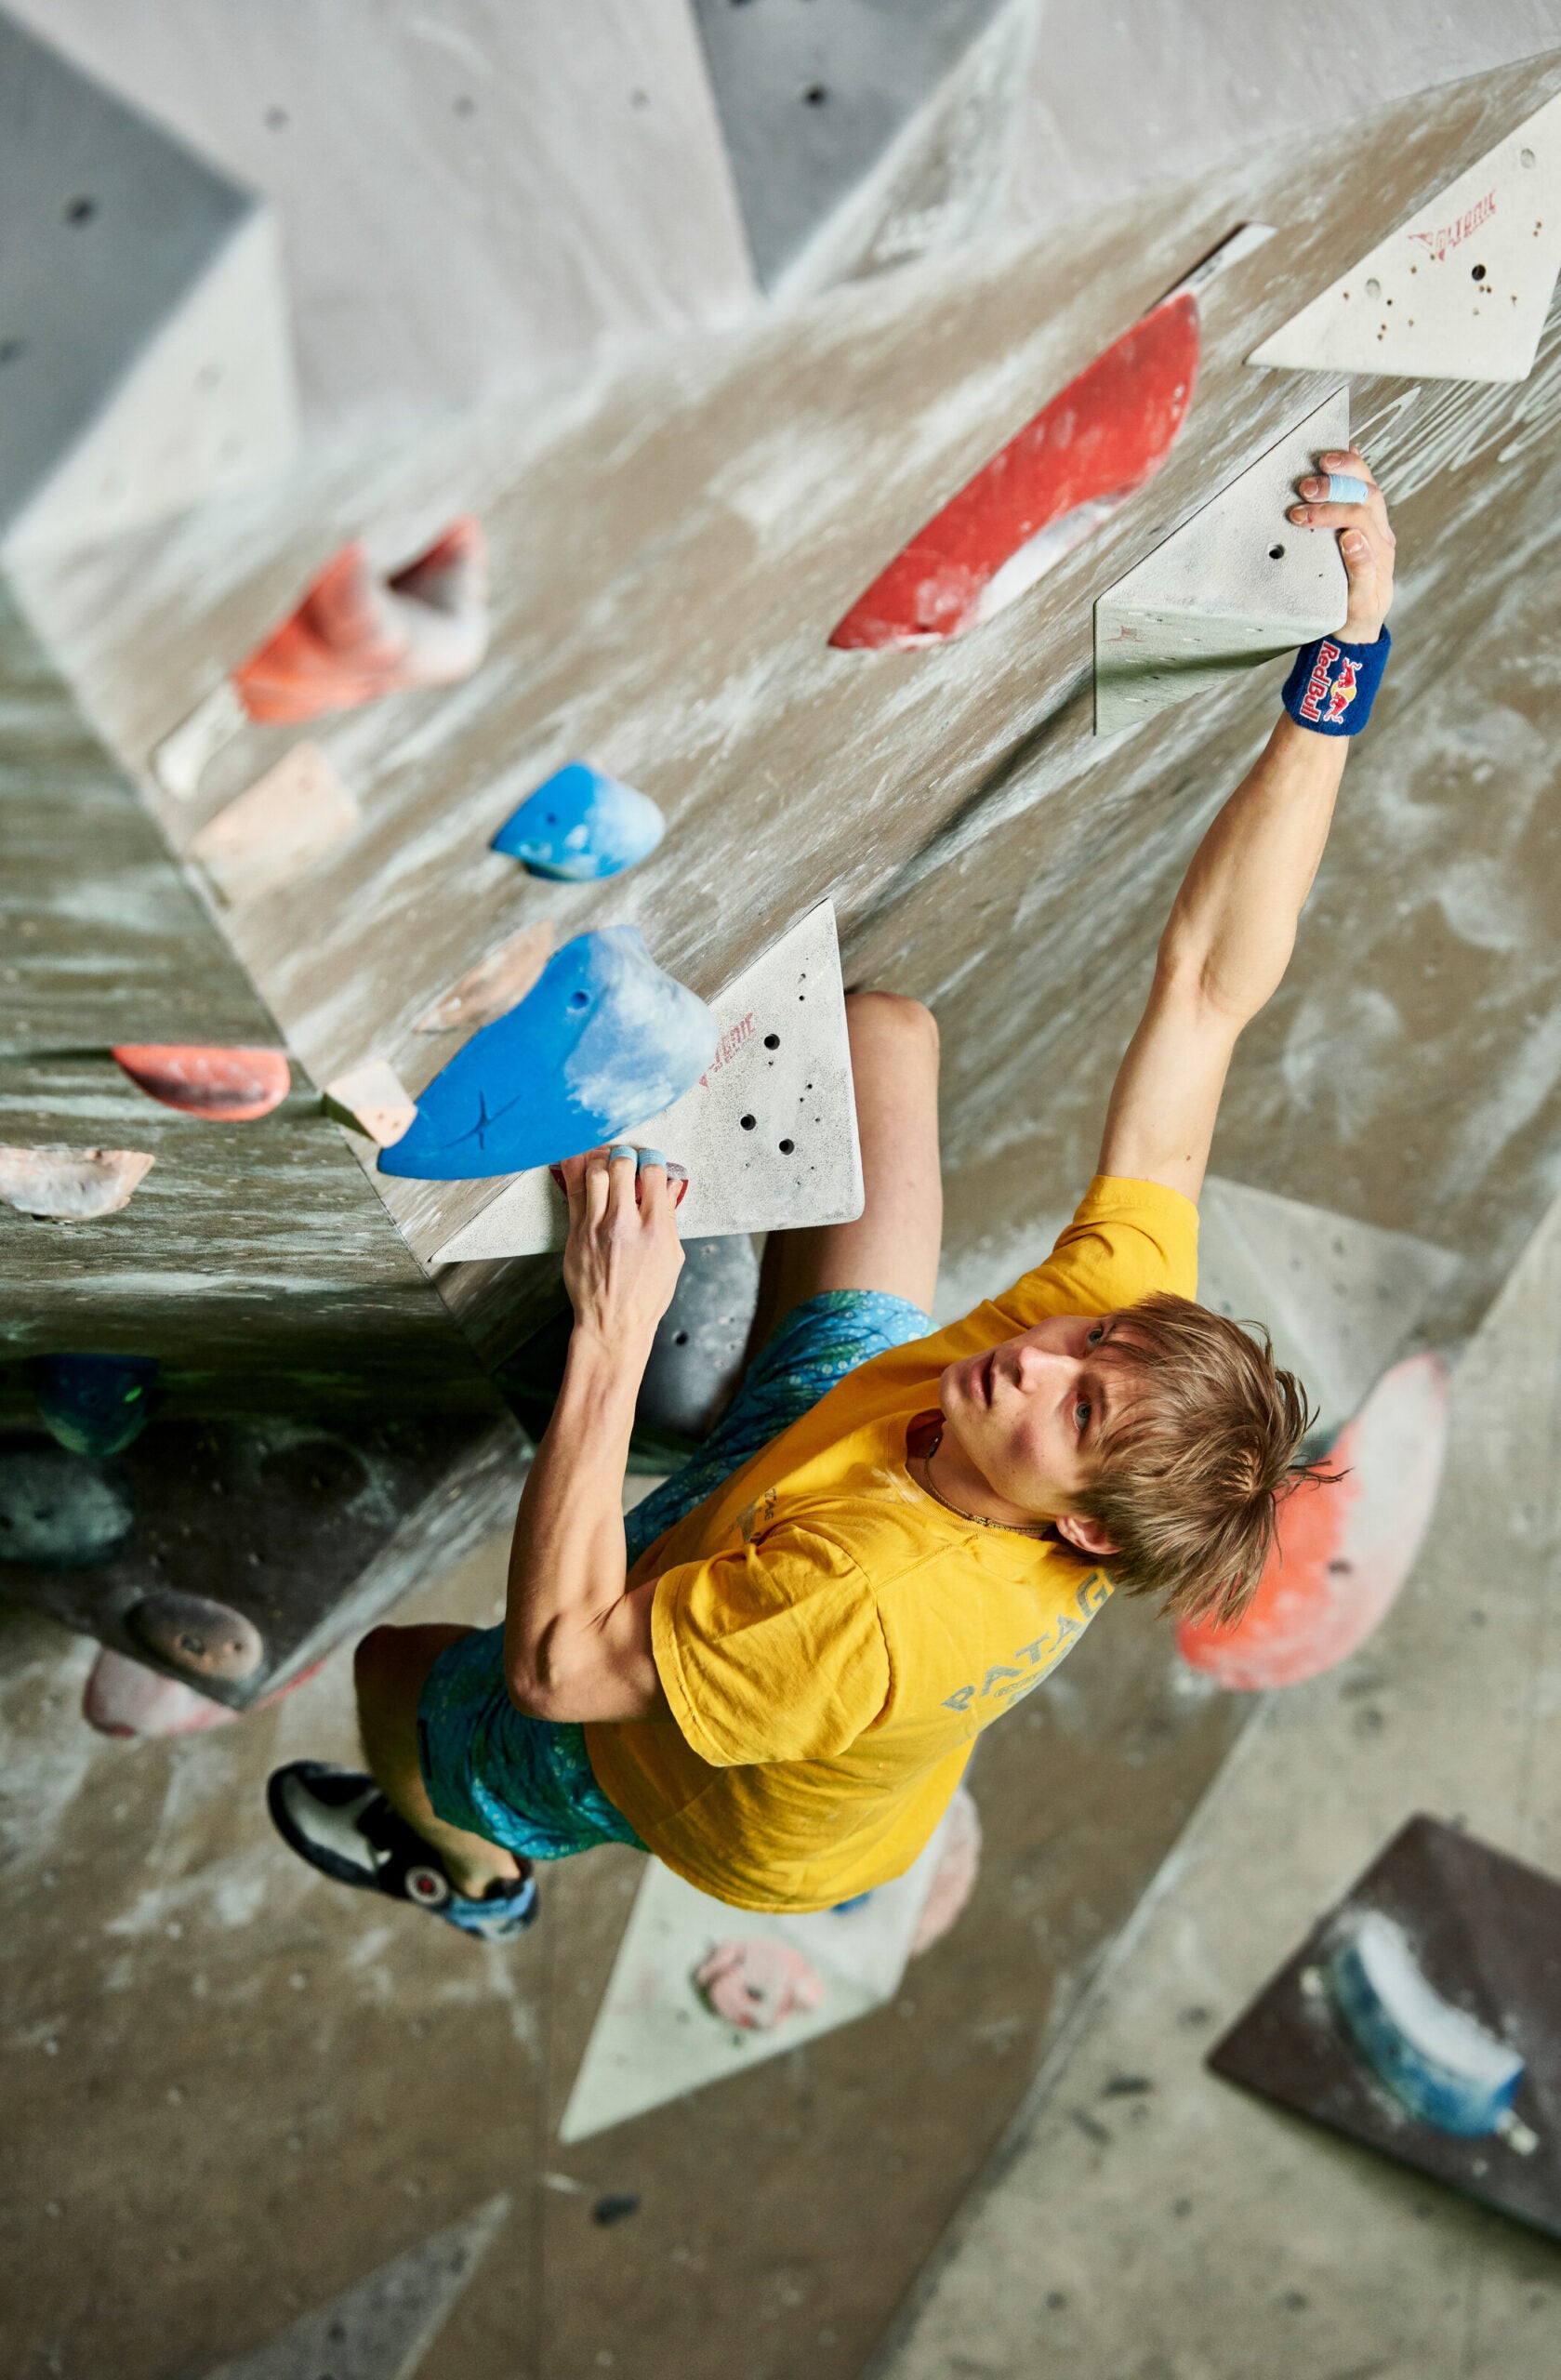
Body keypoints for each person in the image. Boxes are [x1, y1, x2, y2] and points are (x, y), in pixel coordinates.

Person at [270, 448, 1396, 1939]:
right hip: (867, 1442)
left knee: (401, 1675)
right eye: (1092, 1344)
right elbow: (1207, 995)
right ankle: (714, 1429)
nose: (1040, 1352)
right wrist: (1345, 663)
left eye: (1075, 1407)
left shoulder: (861, 1608)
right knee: (881, 1041)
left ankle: (473, 1874)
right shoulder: (1104, 1365)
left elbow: (559, 1667)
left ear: (1081, 1537)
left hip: (681, 1768)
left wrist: (614, 1331)